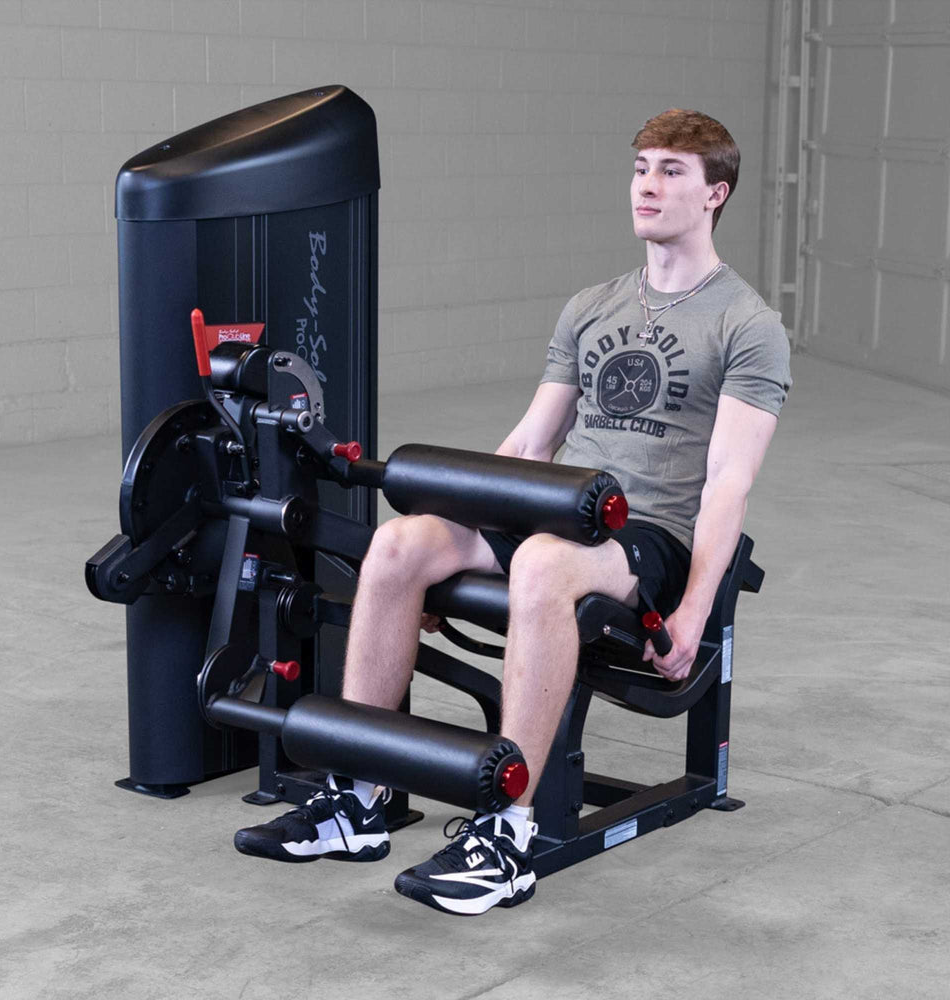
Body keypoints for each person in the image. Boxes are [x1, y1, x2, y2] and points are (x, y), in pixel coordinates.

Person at [234, 109, 792, 916]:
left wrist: (695, 611)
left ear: (716, 194)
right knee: (399, 545)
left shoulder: (748, 325)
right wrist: (453, 537)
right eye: (640, 165)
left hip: (648, 534)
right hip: (562, 506)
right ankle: (357, 800)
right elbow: (531, 443)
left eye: (673, 169)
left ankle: (508, 832)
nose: (648, 183)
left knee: (539, 563)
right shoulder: (592, 306)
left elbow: (728, 481)